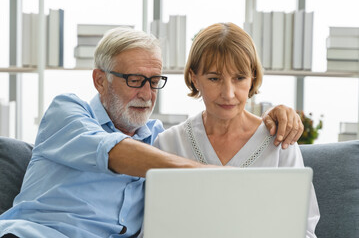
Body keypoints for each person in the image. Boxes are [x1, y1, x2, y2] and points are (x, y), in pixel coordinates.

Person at [0, 27, 304, 238]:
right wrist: (228, 182)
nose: (146, 93)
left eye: (154, 80)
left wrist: (278, 115)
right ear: (100, 80)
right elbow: (116, 152)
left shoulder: (160, 138)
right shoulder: (66, 113)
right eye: (134, 79)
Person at [153, 23, 320, 238]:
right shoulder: (168, 144)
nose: (228, 93)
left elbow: (303, 229)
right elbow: (156, 227)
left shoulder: (281, 143)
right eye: (214, 78)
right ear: (195, 79)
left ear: (252, 79)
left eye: (239, 78)